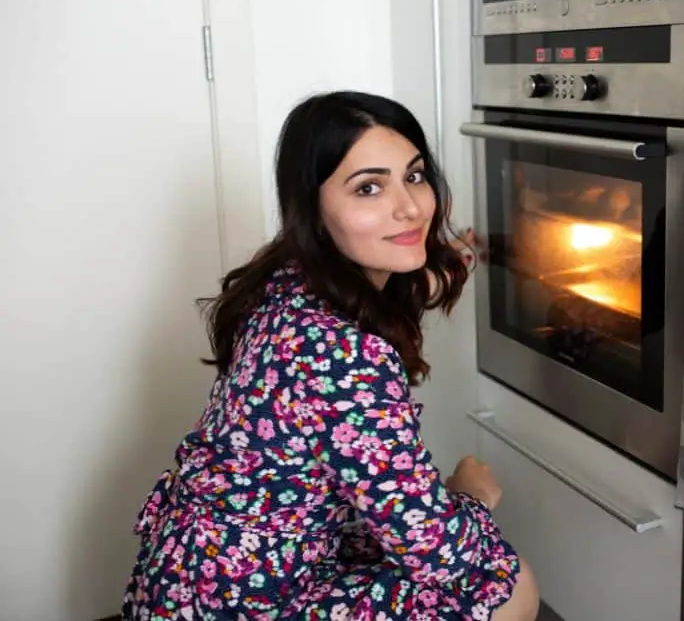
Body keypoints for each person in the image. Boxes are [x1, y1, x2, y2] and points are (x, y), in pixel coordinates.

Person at [122, 91, 540, 621]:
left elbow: (406, 274)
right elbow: (435, 551)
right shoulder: (344, 354)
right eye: (369, 187)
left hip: (192, 575)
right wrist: (472, 498)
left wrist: (455, 257)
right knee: (505, 582)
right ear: (315, 209)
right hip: (244, 601)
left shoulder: (286, 281)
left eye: (413, 176)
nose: (409, 207)